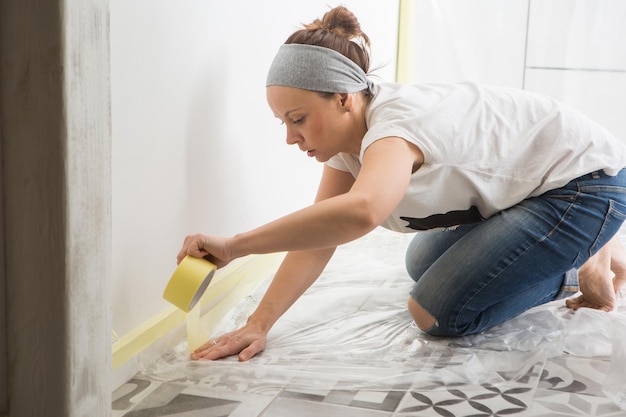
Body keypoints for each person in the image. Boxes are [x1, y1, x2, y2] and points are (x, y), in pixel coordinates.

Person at [177, 6, 626, 361]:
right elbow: (317, 239)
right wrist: (258, 324)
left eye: (298, 120)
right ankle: (577, 250)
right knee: (420, 261)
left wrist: (236, 247)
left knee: (434, 311)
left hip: (586, 186)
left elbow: (362, 212)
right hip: (538, 189)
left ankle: (583, 259)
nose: (290, 137)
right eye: (283, 122)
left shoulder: (395, 127)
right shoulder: (347, 142)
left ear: (343, 99)